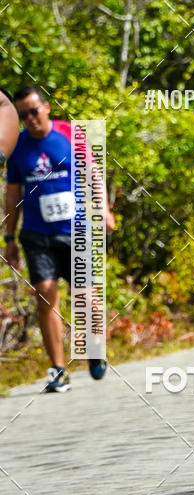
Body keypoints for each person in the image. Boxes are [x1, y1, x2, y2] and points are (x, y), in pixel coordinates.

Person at [3, 86, 115, 392]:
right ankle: (58, 369)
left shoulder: (69, 134)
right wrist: (9, 236)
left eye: (33, 111)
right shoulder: (18, 146)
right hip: (37, 234)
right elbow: (12, 193)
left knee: (88, 298)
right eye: (22, 114)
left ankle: (94, 347)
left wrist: (103, 209)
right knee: (45, 294)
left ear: (47, 108)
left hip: (76, 231)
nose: (29, 119)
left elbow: (93, 173)